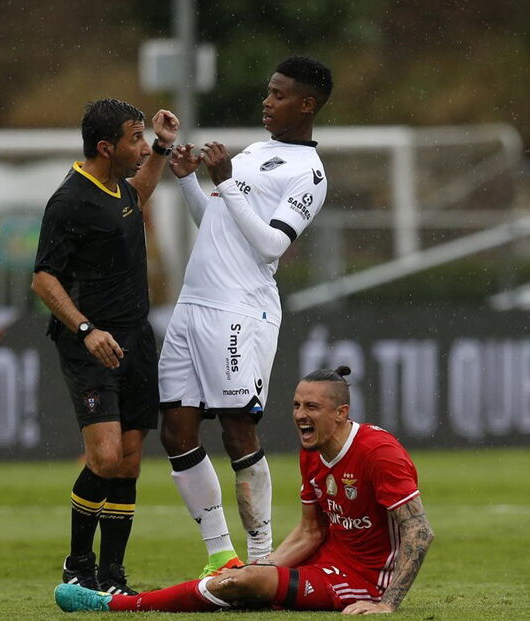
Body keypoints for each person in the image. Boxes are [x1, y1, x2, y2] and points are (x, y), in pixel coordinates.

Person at [55, 366, 435, 614]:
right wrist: (267, 565)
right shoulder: (314, 451)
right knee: (246, 578)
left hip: (359, 581)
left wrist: (386, 603)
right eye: (297, 405)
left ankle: (115, 606)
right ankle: (233, 586)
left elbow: (419, 531)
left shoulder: (379, 453)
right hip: (326, 560)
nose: (300, 414)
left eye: (312, 407)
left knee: (244, 581)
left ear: (341, 413)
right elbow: (311, 531)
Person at [158, 55, 334, 576]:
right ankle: (220, 554)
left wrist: (227, 182)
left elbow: (270, 245)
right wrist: (192, 182)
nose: (267, 101)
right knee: (175, 430)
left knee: (237, 430)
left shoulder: (310, 173)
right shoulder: (257, 151)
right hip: (193, 304)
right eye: (267, 91)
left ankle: (261, 558)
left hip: (241, 309)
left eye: (279, 95)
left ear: (307, 104)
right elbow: (215, 221)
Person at [32, 99, 179, 595]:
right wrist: (85, 330)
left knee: (132, 459)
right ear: (105, 147)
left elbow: (136, 199)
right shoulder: (68, 200)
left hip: (136, 337)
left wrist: (160, 147)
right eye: (134, 139)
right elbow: (43, 278)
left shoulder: (119, 186)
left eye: (143, 138)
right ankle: (78, 566)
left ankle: (113, 576)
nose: (140, 147)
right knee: (105, 457)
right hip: (92, 343)